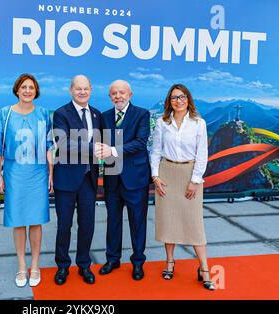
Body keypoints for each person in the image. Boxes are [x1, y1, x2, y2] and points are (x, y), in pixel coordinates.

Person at [150, 83, 215, 290]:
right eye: (174, 97)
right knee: (169, 221)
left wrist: (195, 180)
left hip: (190, 175)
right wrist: (155, 176)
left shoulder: (199, 123)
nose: (178, 101)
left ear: (189, 99)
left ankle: (204, 268)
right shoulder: (162, 122)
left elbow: (202, 154)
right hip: (167, 174)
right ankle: (169, 262)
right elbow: (155, 151)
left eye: (182, 97)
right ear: (169, 101)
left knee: (194, 223)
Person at [0, 74, 53, 288]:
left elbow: (48, 146)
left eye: (32, 88)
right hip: (14, 173)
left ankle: (35, 265)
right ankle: (21, 266)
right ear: (17, 90)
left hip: (37, 173)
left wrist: (50, 174)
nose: (28, 91)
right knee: (18, 221)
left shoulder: (44, 113)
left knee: (35, 220)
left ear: (36, 91)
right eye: (24, 87)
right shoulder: (5, 113)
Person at [95, 80, 151, 281]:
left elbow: (140, 143)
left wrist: (112, 150)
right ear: (110, 96)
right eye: (114, 93)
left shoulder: (142, 114)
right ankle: (113, 259)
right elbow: (99, 142)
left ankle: (137, 262)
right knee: (113, 221)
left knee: (138, 222)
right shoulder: (104, 117)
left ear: (130, 94)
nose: (118, 96)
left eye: (122, 93)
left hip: (136, 179)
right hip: (112, 178)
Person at [52, 75, 102, 285]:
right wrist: (94, 149)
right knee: (64, 225)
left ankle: (84, 265)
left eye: (86, 89)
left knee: (87, 225)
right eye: (78, 89)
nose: (82, 92)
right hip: (66, 180)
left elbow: (106, 141)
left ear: (91, 90)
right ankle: (63, 266)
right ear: (71, 90)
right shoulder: (61, 113)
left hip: (89, 180)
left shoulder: (97, 115)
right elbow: (63, 145)